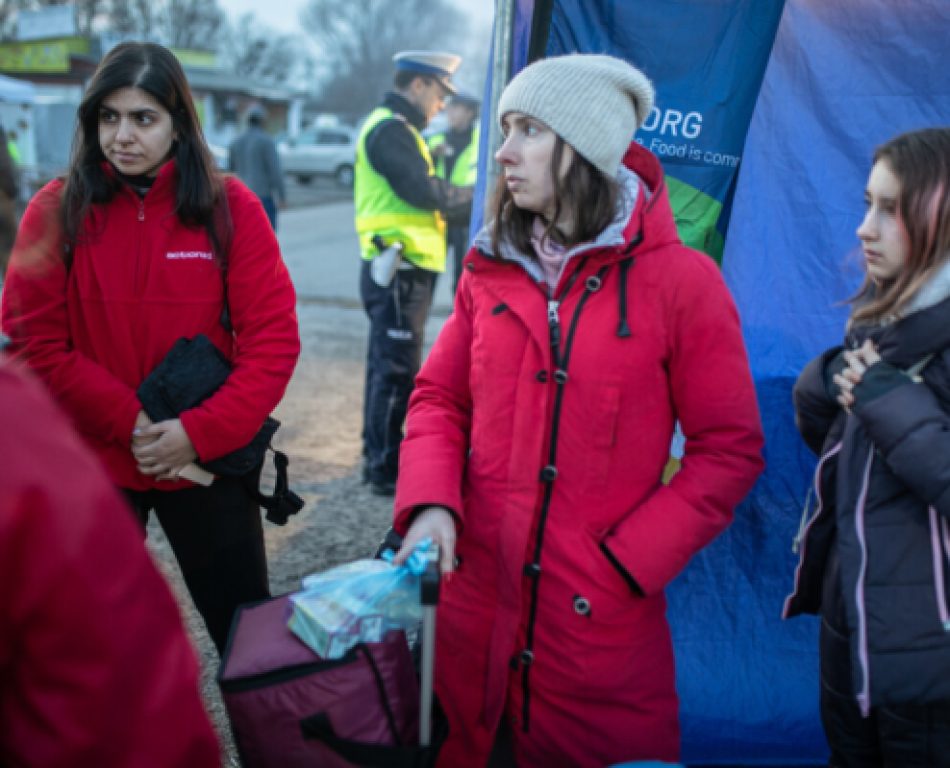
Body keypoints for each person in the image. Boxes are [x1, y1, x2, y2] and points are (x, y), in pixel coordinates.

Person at [391, 54, 764, 767]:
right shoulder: (489, 267)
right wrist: (431, 504)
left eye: (528, 129)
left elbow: (730, 450)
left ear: (585, 147)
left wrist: (623, 565)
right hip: (470, 630)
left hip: (596, 645)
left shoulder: (684, 283)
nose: (503, 152)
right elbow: (439, 398)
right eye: (505, 128)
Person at [0, 42, 301, 655]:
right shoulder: (56, 209)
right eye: (108, 117)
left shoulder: (230, 208)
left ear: (177, 124)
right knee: (76, 648)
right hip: (94, 460)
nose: (123, 135)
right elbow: (32, 346)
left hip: (205, 462)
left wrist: (199, 432)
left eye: (143, 118)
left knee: (250, 645)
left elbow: (272, 342)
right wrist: (133, 423)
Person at [785, 127, 950, 766]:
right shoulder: (884, 331)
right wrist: (822, 387)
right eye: (867, 203)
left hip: (931, 669)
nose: (864, 227)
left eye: (890, 209)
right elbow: (853, 469)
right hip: (852, 641)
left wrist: (886, 402)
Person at [0, 354, 220, 767]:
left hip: (196, 461)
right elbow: (117, 702)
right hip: (112, 448)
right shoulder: (13, 431)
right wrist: (134, 422)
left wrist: (202, 429)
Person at [355, 50, 474, 496]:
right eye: (440, 94)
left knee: (384, 366)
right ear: (419, 85)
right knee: (396, 371)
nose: (442, 105)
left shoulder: (397, 129)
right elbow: (421, 190)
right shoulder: (391, 130)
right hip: (401, 268)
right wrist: (479, 197)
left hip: (399, 267)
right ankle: (384, 467)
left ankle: (376, 457)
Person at [427, 92, 479, 292]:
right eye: (449, 108)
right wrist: (432, 154)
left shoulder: (481, 140)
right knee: (430, 268)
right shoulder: (437, 139)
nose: (449, 112)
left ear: (469, 113)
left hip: (465, 214)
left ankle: (458, 314)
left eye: (455, 108)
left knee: (463, 270)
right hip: (440, 213)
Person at [228, 104, 286, 230]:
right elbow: (275, 171)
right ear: (262, 121)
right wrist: (282, 196)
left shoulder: (236, 141)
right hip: (262, 197)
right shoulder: (266, 141)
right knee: (266, 240)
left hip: (240, 198)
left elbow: (229, 172)